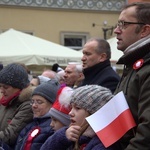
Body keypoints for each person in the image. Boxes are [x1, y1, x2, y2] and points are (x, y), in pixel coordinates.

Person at [113, 2, 150, 150]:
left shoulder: (146, 67)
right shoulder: (134, 64)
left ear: (144, 30)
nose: (116, 30)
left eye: (123, 24)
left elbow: (146, 134)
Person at [40, 85, 120, 150]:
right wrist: (62, 137)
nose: (70, 113)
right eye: (71, 107)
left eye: (77, 108)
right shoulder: (71, 136)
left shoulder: (102, 145)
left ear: (94, 113)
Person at [15, 80, 60, 150]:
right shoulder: (29, 126)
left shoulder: (53, 128)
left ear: (52, 104)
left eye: (39, 102)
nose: (34, 106)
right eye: (32, 102)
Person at [0, 63, 34, 148]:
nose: (2, 91)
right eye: (0, 86)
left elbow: (9, 137)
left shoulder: (27, 105)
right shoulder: (5, 101)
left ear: (19, 87)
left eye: (6, 87)